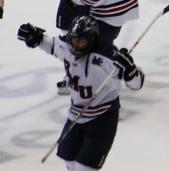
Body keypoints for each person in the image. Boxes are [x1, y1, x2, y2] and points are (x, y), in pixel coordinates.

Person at [17, 15, 144, 170]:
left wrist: (130, 69)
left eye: (80, 41)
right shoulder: (68, 46)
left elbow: (137, 84)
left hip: (102, 118)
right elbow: (51, 44)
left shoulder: (108, 57)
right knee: (70, 162)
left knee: (84, 167)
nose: (75, 46)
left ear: (92, 38)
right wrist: (35, 37)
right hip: (75, 114)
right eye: (73, 40)